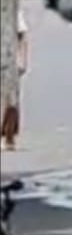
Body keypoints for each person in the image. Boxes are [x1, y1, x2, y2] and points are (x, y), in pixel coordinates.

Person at [3, 8, 26, 150]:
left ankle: (8, 137)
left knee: (10, 100)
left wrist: (22, 59)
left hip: (8, 57)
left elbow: (22, 34)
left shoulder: (9, 7)